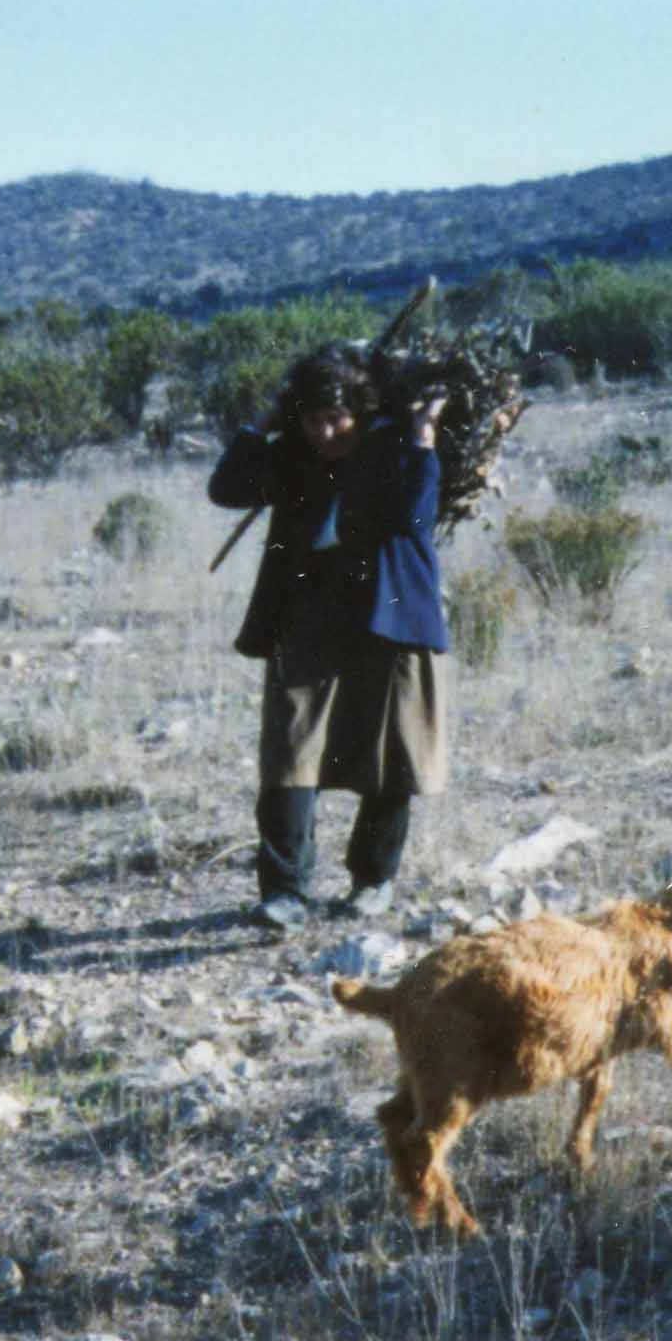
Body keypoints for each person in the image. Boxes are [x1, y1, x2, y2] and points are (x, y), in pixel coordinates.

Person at [209, 346, 451, 932]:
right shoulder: (292, 457)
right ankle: (284, 891)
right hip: (309, 608)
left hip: (389, 610)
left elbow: (417, 515)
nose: (326, 432)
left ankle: (373, 881)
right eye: (313, 420)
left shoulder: (394, 447)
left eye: (337, 419)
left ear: (361, 412)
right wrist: (264, 421)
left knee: (392, 749)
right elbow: (227, 487)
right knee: (291, 748)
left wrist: (423, 436)